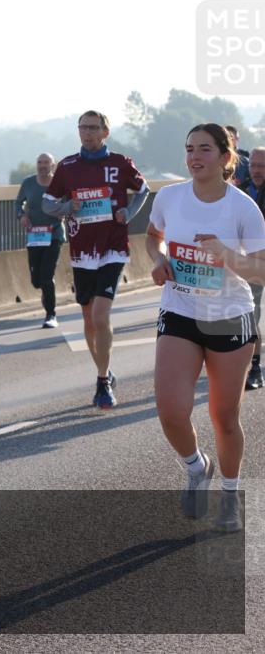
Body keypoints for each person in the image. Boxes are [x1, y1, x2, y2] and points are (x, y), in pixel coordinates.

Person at [146, 123, 265, 532]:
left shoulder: (243, 208)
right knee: (170, 409)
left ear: (225, 157)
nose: (195, 157)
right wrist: (159, 260)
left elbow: (262, 271)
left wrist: (226, 253)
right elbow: (153, 235)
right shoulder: (170, 197)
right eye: (189, 149)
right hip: (180, 308)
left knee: (224, 416)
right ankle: (197, 467)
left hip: (230, 316)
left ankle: (230, 496)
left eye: (204, 149)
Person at [43, 110, 149, 409]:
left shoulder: (119, 163)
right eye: (82, 127)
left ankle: (102, 382)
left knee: (101, 315)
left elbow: (143, 190)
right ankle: (105, 371)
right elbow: (47, 203)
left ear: (105, 132)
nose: (86, 132)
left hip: (113, 248)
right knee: (89, 319)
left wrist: (128, 213)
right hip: (81, 252)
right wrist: (67, 206)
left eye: (92, 127)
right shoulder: (67, 166)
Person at [15, 153, 64, 328]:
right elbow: (18, 203)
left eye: (46, 163)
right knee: (36, 280)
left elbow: (69, 203)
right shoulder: (28, 183)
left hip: (54, 234)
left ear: (53, 165)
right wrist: (21, 216)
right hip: (35, 236)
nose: (42, 166)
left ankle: (51, 315)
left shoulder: (60, 183)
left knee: (47, 276)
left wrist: (63, 212)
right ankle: (44, 291)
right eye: (39, 162)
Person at [238, 147, 265, 390]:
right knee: (251, 311)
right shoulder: (240, 191)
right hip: (255, 261)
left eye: (262, 166)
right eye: (253, 165)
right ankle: (255, 366)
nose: (256, 170)